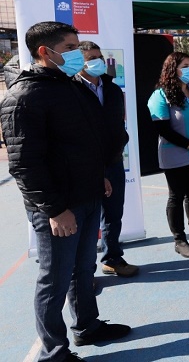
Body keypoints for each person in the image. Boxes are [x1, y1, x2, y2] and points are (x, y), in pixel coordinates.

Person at [0, 21, 130, 362]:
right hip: (59, 208)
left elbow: (85, 143)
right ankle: (54, 353)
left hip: (87, 197)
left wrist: (98, 177)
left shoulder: (71, 87)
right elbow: (25, 164)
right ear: (45, 52)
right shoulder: (24, 96)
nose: (78, 54)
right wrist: (55, 210)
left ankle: (88, 327)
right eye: (71, 47)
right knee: (54, 281)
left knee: (83, 270)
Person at [76, 40, 138, 277]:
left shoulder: (112, 89)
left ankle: (112, 258)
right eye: (91, 58)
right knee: (87, 221)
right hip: (86, 168)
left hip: (113, 162)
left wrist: (119, 143)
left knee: (113, 214)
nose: (97, 62)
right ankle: (84, 273)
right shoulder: (72, 89)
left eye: (99, 57)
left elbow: (117, 124)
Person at [148, 52, 189, 258]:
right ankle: (180, 240)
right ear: (172, 69)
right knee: (176, 197)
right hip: (176, 156)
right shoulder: (160, 96)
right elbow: (163, 129)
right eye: (184, 65)